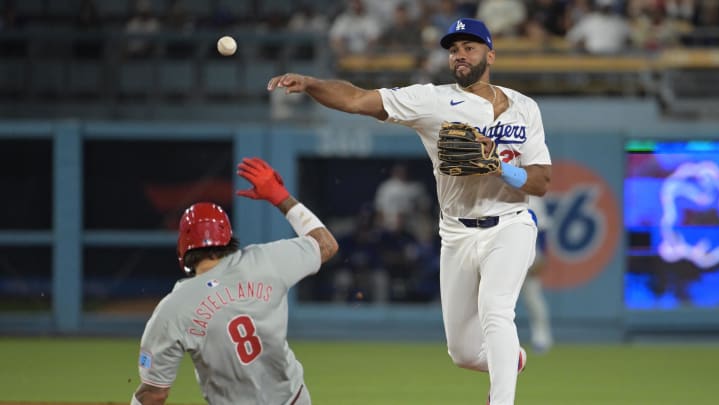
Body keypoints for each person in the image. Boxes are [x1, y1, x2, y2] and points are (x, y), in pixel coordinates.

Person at [268, 17, 552, 405]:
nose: (459, 55)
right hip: (457, 232)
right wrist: (313, 83)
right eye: (453, 50)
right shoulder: (432, 100)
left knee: (496, 310)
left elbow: (540, 181)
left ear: (490, 54)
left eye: (469, 47)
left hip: (511, 224)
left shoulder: (524, 107)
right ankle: (511, 358)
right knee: (463, 353)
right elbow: (356, 99)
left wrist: (500, 167)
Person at [130, 157, 339, 405]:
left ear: (183, 248)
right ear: (228, 237)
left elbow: (155, 394)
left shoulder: (174, 308)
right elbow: (326, 244)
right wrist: (280, 197)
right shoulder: (267, 261)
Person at [521, 195, 554, 354]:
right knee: (496, 300)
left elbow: (542, 230)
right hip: (504, 254)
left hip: (530, 254)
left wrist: (543, 256)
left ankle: (541, 337)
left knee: (533, 298)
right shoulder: (498, 191)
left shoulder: (533, 198)